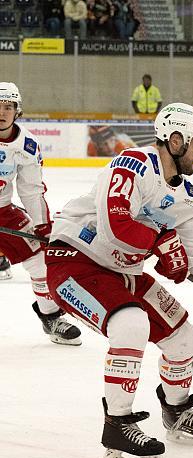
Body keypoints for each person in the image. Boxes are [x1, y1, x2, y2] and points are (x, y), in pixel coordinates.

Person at [45, 102, 193, 458]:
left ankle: (177, 413)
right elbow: (114, 226)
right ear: (176, 139)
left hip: (124, 272)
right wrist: (159, 242)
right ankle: (116, 427)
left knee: (184, 338)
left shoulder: (188, 199)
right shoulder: (132, 164)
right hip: (75, 261)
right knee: (130, 323)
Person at [0, 82, 82, 345]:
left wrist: (42, 225)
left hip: (3, 211)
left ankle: (51, 317)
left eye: (8, 107)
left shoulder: (26, 145)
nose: (2, 112)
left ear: (17, 111)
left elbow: (31, 191)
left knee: (40, 258)